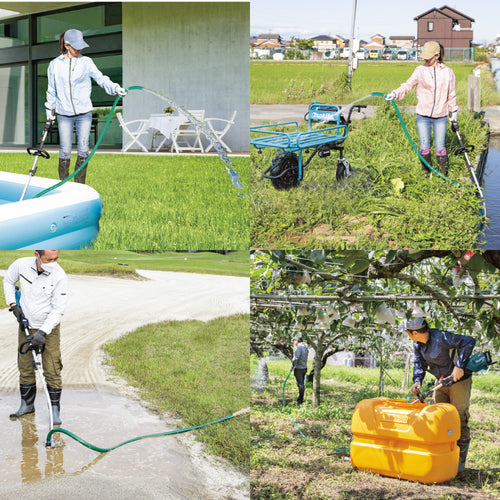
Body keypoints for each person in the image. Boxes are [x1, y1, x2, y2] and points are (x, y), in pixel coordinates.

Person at [45, 29, 127, 184]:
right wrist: (50, 112)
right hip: (63, 114)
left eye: (81, 46)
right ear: (67, 45)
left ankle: (79, 186)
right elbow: (51, 90)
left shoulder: (86, 62)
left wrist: (115, 88)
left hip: (84, 113)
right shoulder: (54, 65)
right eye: (76, 47)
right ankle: (64, 184)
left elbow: (101, 78)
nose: (79, 49)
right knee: (65, 150)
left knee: (83, 148)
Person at [400, 317, 475, 472]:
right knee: (440, 417)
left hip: (458, 382)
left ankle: (459, 463)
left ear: (414, 332)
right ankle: (443, 456)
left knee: (459, 417)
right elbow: (419, 363)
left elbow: (468, 341)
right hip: (441, 382)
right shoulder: (417, 344)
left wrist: (459, 366)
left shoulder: (441, 337)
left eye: (407, 332)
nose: (408, 335)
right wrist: (417, 380)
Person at [4, 250, 68, 425]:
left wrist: (43, 332)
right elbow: (8, 281)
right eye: (49, 259)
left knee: (52, 368)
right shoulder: (21, 265)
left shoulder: (59, 276)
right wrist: (13, 304)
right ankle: (27, 405)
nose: (53, 263)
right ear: (37, 255)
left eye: (56, 258)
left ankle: (54, 412)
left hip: (49, 328)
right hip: (26, 325)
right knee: (25, 366)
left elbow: (58, 309)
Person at [385, 41, 458, 176]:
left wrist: (453, 112)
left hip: (440, 116)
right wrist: (395, 93)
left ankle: (442, 175)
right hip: (423, 115)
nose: (426, 60)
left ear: (437, 56)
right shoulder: (420, 70)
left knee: (440, 147)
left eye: (428, 57)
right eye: (424, 57)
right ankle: (426, 174)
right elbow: (408, 85)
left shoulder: (448, 72)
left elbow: (451, 94)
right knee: (424, 146)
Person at [292, 334, 308, 405]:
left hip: (299, 368)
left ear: (297, 341)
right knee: (301, 384)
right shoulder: (305, 347)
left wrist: (293, 365)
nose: (294, 343)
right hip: (304, 368)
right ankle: (300, 398)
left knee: (300, 384)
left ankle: (300, 400)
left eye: (294, 341)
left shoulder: (299, 347)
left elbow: (296, 358)